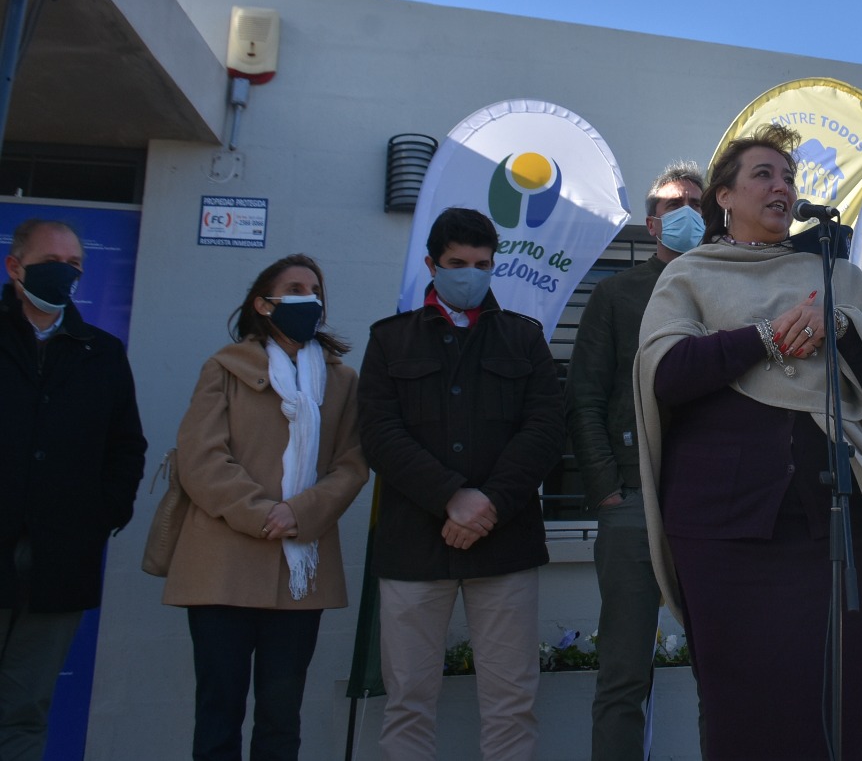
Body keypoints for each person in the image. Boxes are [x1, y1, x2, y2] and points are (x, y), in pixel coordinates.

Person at [632, 123, 862, 761]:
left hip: (833, 518)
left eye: (788, 177)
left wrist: (839, 324)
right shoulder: (691, 276)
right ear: (722, 196)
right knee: (746, 705)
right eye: (764, 175)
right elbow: (665, 373)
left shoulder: (836, 275)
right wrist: (764, 338)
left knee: (852, 697)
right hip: (724, 525)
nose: (781, 187)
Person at [358, 207, 566, 761]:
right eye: (457, 263)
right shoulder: (389, 341)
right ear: (432, 264)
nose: (470, 274)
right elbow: (378, 435)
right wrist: (452, 495)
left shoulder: (525, 339)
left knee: (512, 703)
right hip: (412, 548)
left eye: (482, 263)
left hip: (505, 543)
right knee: (406, 702)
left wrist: (490, 503)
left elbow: (546, 430)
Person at [164, 254, 369, 761]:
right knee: (219, 712)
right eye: (295, 287)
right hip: (221, 568)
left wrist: (303, 511)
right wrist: (260, 513)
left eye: (316, 289)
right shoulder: (224, 366)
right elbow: (201, 457)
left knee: (281, 718)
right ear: (263, 303)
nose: (310, 297)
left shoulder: (343, 382)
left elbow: (353, 462)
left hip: (299, 572)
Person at [566, 161, 704, 761]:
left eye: (699, 204)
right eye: (676, 206)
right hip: (630, 502)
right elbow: (583, 396)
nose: (690, 215)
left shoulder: (729, 286)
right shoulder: (616, 293)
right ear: (653, 224)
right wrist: (606, 489)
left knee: (723, 667)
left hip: (709, 505)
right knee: (623, 674)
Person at [0, 219, 145, 761]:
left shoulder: (101, 352)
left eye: (76, 265)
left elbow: (126, 447)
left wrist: (98, 519)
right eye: (53, 261)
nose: (66, 273)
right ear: (15, 267)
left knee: (24, 709)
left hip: (58, 563)